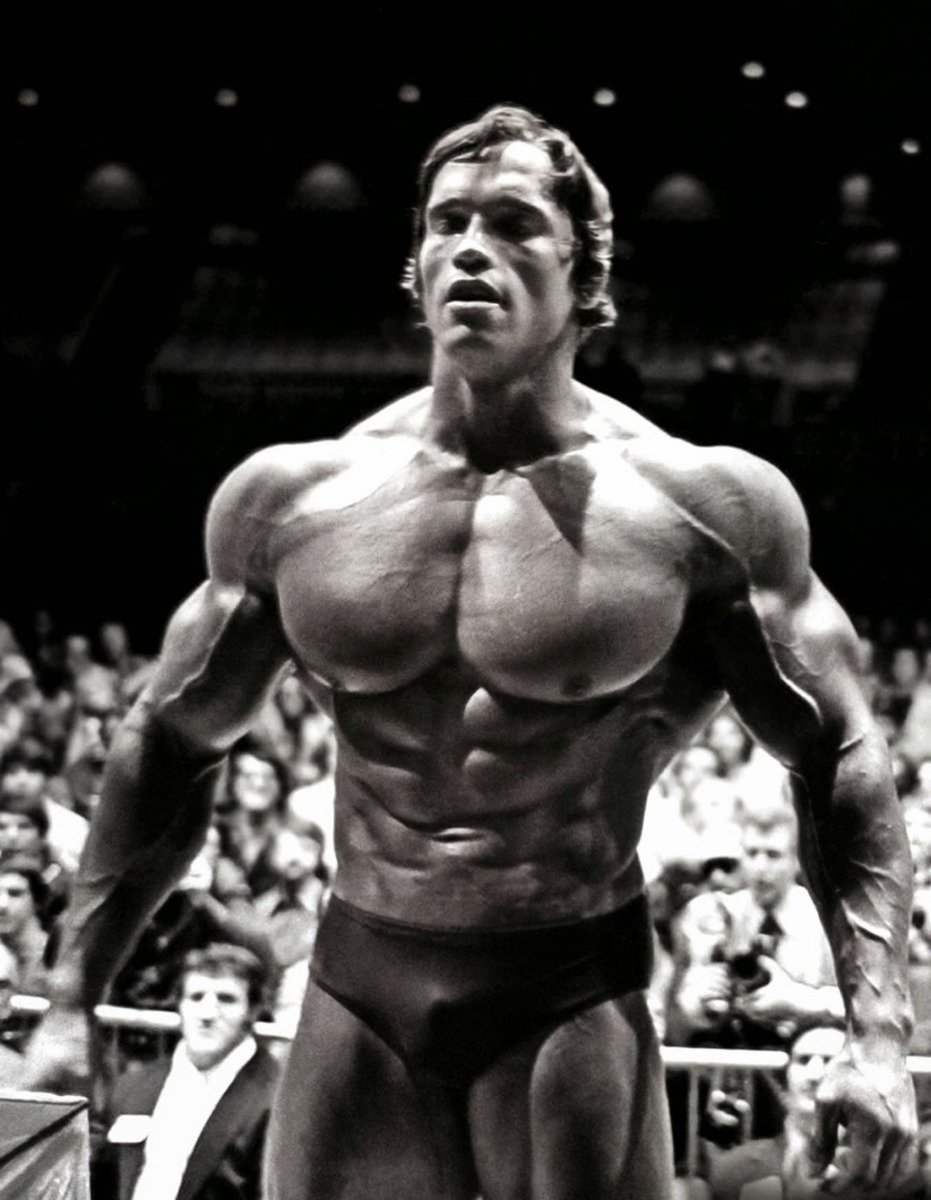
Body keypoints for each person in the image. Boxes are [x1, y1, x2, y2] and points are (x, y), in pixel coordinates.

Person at [22, 104, 917, 1199]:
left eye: (513, 222)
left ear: (584, 270)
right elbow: (168, 745)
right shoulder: (291, 501)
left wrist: (878, 1035)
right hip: (359, 983)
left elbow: (837, 757)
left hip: (567, 990)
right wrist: (70, 1000)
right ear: (413, 265)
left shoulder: (700, 510)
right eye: (446, 222)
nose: (470, 248)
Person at [93, 943, 279, 1200]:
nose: (207, 1014)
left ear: (253, 1011)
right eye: (196, 997)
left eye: (226, 999)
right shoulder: (131, 1087)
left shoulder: (275, 1099)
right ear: (179, 1005)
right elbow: (100, 1181)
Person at [704, 1025, 924, 1198]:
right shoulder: (735, 1168)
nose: (815, 1074)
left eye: (830, 1060)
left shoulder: (894, 1174)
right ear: (785, 1078)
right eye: (803, 1060)